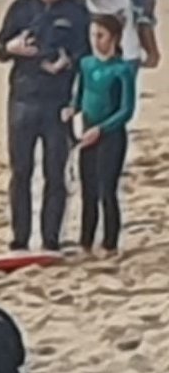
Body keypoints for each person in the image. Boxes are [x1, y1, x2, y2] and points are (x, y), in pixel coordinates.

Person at [0, 0, 91, 252]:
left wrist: (66, 61)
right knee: (21, 172)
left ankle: (51, 239)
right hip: (23, 99)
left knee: (55, 173)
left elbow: (88, 51)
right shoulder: (21, 9)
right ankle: (20, 239)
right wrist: (13, 47)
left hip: (58, 102)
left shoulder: (76, 11)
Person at [65, 14, 138, 255]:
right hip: (87, 134)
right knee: (88, 190)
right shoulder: (87, 64)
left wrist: (102, 129)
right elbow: (82, 93)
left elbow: (126, 110)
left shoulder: (122, 70)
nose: (96, 41)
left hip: (111, 136)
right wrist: (72, 108)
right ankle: (85, 241)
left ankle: (109, 243)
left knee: (107, 189)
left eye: (101, 36)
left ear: (114, 38)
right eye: (93, 35)